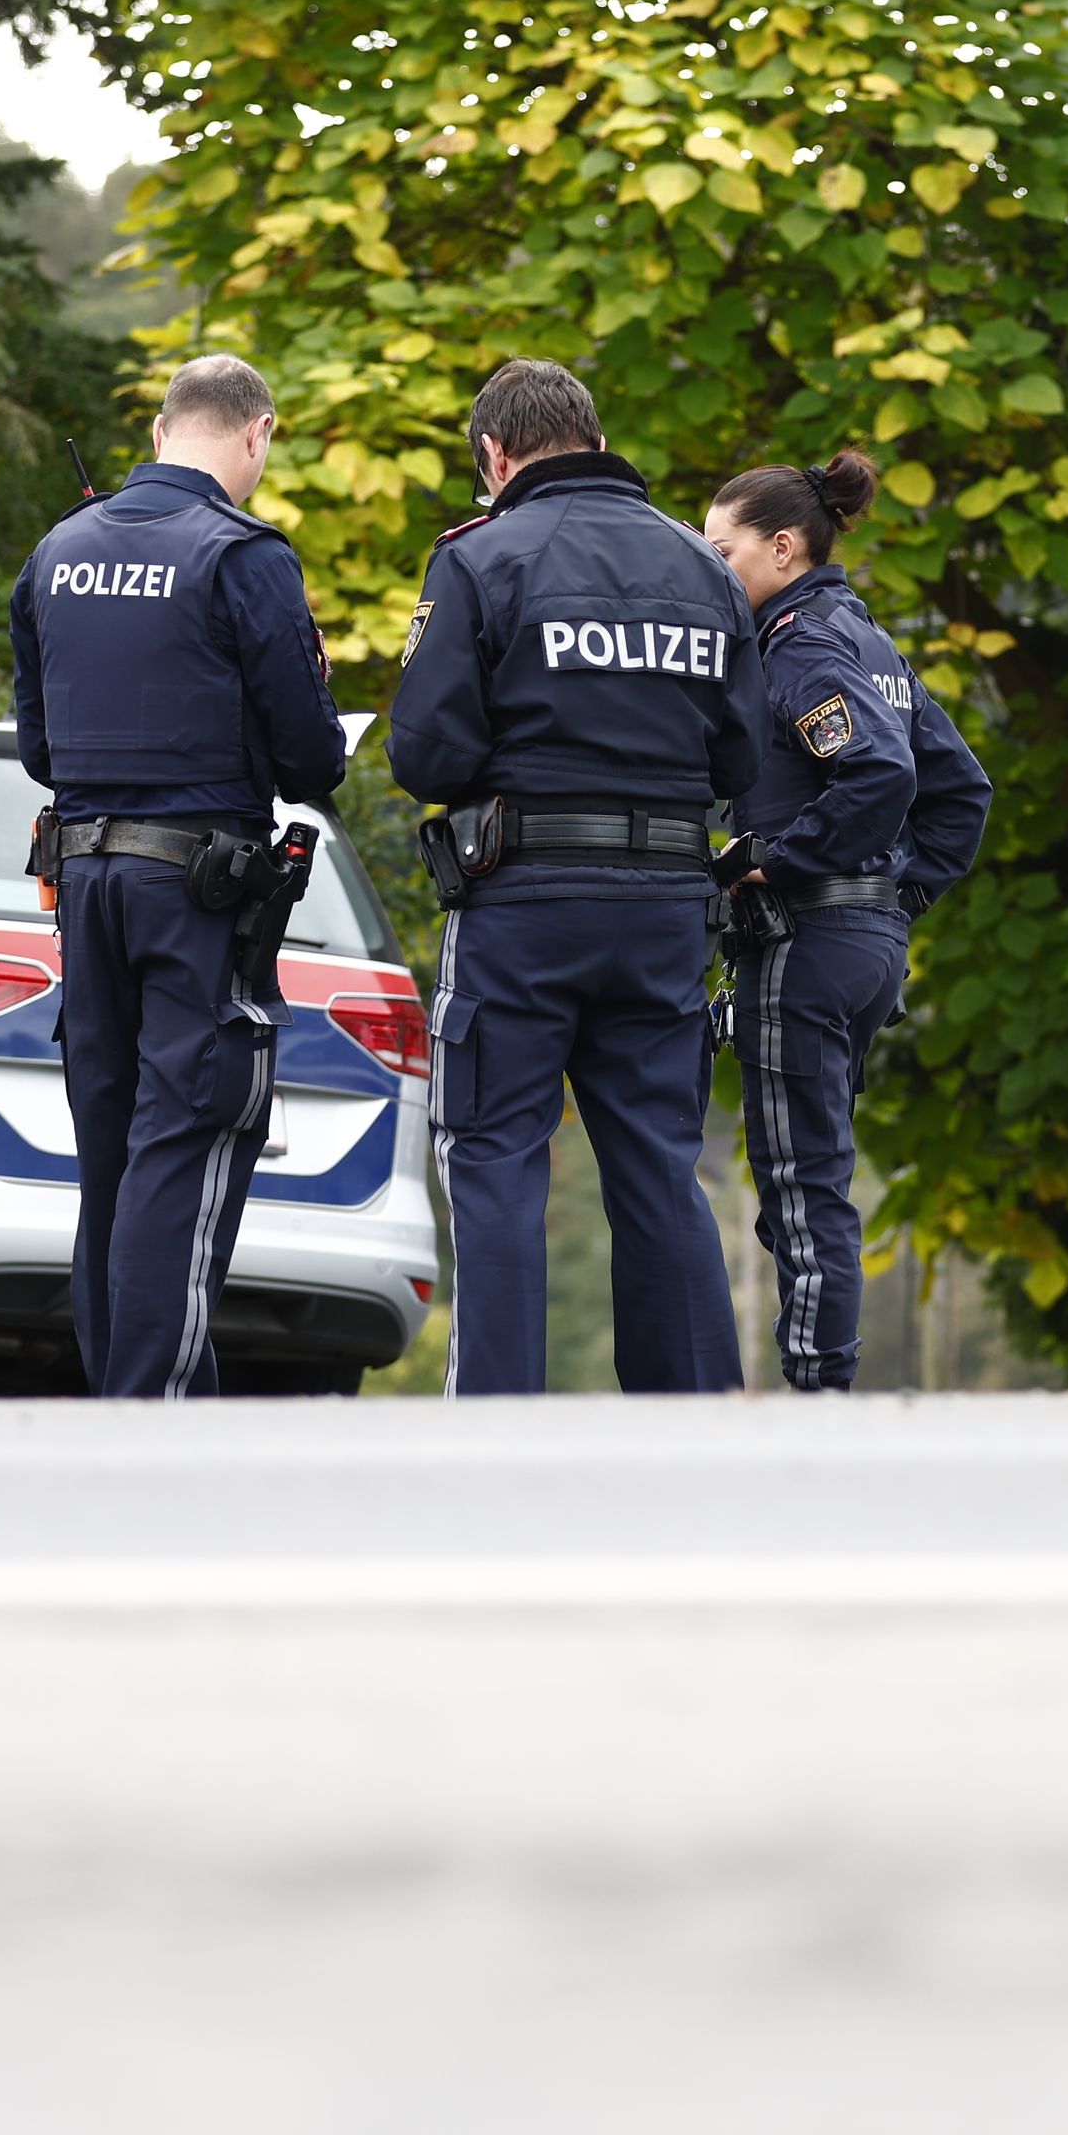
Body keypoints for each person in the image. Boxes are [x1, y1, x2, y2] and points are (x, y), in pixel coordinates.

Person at [391, 359, 761, 1394]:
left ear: (495, 457)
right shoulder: (704, 568)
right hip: (664, 912)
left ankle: (503, 1423)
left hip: (523, 905)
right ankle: (692, 1421)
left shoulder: (479, 557)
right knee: (656, 1163)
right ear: (595, 442)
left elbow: (424, 755)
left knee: (497, 1162)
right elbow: (741, 761)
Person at [8, 354, 352, 1400]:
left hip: (87, 884)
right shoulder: (243, 555)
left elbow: (39, 750)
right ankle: (154, 1415)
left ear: (161, 432)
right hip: (197, 898)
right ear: (257, 435)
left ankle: (126, 1394)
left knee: (110, 1159)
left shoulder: (58, 549)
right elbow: (310, 761)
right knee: (188, 1140)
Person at [700, 452, 993, 1391]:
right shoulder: (868, 642)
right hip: (861, 941)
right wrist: (895, 899)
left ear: (782, 547)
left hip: (805, 938)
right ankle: (820, 1380)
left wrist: (773, 859)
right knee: (812, 1169)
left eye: (722, 550)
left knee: (800, 1183)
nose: (709, 569)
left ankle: (818, 1394)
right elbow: (962, 790)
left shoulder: (802, 647)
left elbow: (882, 773)